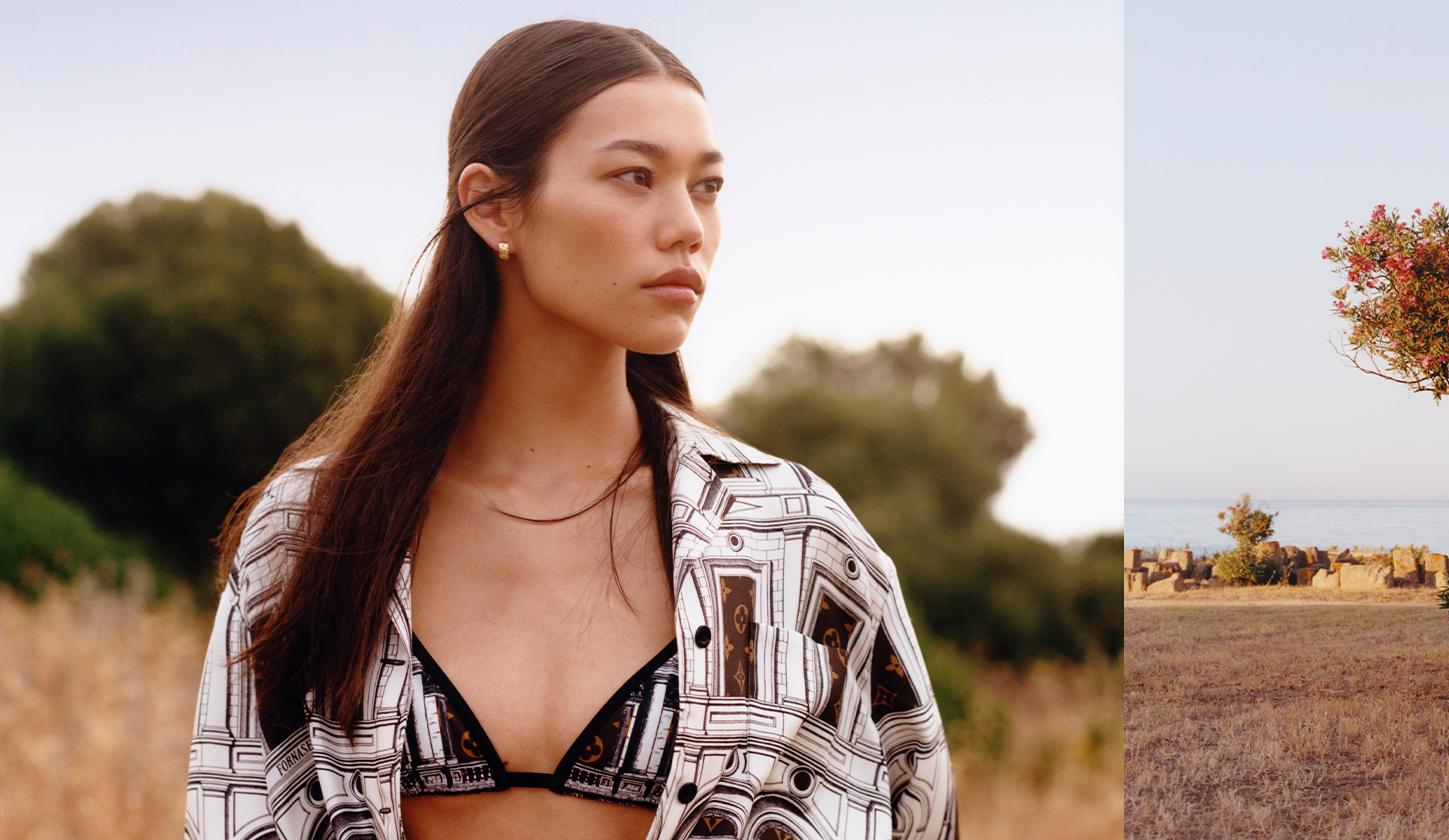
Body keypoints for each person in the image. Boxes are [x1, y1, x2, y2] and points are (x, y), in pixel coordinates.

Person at [183, 20, 956, 839]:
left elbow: (922, 810)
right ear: (491, 205)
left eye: (707, 186)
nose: (688, 226)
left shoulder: (794, 539)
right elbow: (227, 808)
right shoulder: (314, 533)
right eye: (635, 176)